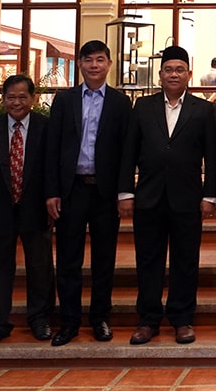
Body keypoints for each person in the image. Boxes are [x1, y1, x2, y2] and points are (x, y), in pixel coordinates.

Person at [117, 45, 216, 346]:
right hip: (148, 197)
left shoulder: (203, 110)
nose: (173, 74)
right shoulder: (142, 107)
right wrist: (125, 191)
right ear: (160, 74)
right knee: (148, 260)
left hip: (188, 198)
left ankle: (182, 319)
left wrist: (210, 195)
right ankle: (148, 320)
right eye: (168, 70)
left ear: (188, 74)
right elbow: (129, 153)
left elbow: (212, 156)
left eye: (179, 70)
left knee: (185, 261)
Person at [45, 40, 132, 346]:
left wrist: (124, 193)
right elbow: (52, 148)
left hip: (105, 193)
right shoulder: (64, 100)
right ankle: (68, 322)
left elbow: (126, 153)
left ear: (109, 64)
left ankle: (100, 318)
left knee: (104, 259)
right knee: (68, 258)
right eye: (88, 60)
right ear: (79, 64)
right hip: (71, 190)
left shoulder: (121, 103)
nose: (94, 66)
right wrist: (52, 191)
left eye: (100, 60)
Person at [0, 74, 54, 346]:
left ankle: (39, 319)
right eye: (11, 97)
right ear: (3, 99)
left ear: (33, 99)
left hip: (36, 208)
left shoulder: (46, 128)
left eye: (22, 97)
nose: (16, 103)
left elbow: (53, 169)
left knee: (39, 266)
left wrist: (54, 200)